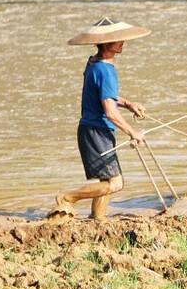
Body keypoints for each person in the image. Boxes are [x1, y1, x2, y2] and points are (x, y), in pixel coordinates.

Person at [49, 17, 150, 220]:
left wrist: (128, 103)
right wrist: (133, 133)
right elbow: (110, 112)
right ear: (106, 43)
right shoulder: (106, 70)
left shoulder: (94, 63)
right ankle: (68, 197)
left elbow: (105, 96)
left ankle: (98, 218)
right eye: (117, 39)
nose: (122, 42)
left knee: (106, 179)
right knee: (115, 183)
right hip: (96, 131)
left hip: (92, 129)